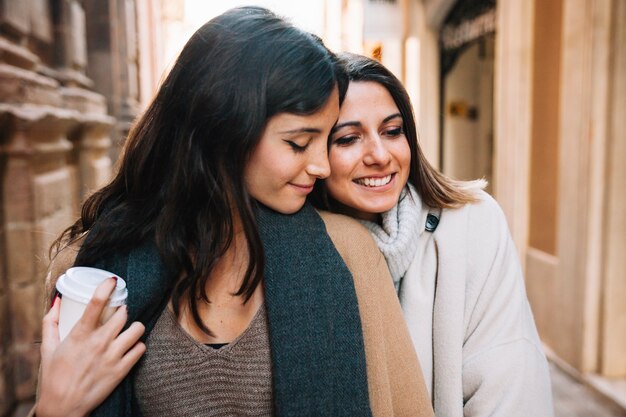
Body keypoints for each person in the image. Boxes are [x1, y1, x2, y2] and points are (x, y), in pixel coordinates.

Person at [33, 9, 434, 417]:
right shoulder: (92, 275)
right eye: (298, 143)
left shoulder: (345, 251)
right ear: (224, 133)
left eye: (326, 139)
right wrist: (52, 410)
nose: (322, 166)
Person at [311, 52, 555, 417]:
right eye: (348, 139)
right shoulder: (299, 248)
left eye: (393, 131)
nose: (379, 154)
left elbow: (510, 383)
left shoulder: (473, 222)